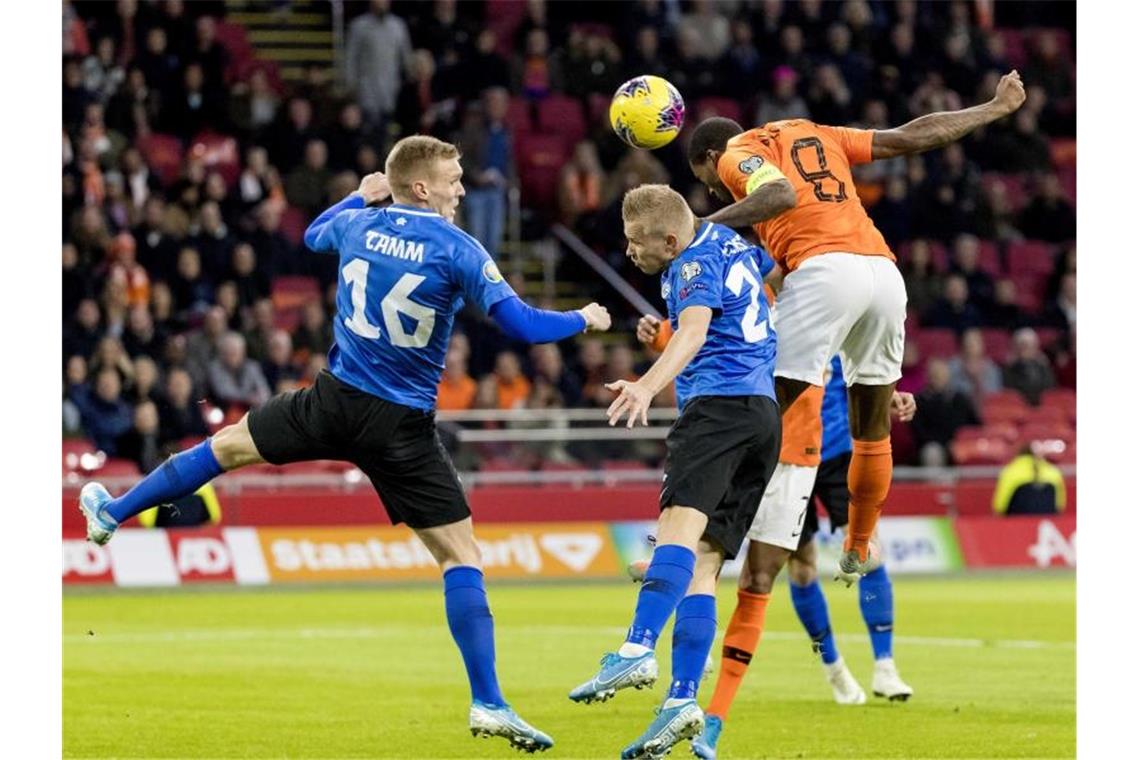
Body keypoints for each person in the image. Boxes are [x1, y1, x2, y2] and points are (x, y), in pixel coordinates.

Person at [79, 135, 613, 752]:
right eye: (453, 179)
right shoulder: (458, 248)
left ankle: (111, 513)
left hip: (333, 401)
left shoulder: (359, 225)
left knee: (224, 448)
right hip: (402, 425)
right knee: (460, 558)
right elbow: (522, 325)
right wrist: (585, 319)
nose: (462, 189)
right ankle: (489, 701)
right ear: (421, 187)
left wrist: (357, 196)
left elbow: (311, 236)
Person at [686, 69, 1026, 581]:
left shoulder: (738, 153)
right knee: (872, 429)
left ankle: (690, 540)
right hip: (882, 274)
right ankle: (859, 545)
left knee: (753, 408)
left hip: (824, 273)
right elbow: (910, 135)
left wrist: (699, 231)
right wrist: (992, 109)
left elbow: (777, 196)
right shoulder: (819, 133)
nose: (716, 191)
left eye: (708, 182)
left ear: (712, 158)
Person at [567, 185, 781, 759]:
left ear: (668, 238)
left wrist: (645, 385)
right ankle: (682, 700)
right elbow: (775, 271)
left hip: (716, 410)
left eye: (637, 242)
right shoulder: (731, 244)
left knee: (678, 534)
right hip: (764, 416)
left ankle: (637, 649)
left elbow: (693, 330)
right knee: (704, 566)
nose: (629, 251)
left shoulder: (689, 263)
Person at [688, 356, 916, 759]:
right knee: (800, 569)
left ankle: (886, 665)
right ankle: (834, 668)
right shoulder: (768, 309)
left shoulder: (833, 308)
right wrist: (658, 339)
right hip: (777, 450)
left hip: (837, 450)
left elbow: (861, 363)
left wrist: (889, 394)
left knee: (869, 554)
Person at [993, 443, 1067, 516]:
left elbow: (999, 507)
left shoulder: (1008, 472)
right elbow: (1060, 506)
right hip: (1046, 521)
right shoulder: (1054, 472)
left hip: (1015, 523)